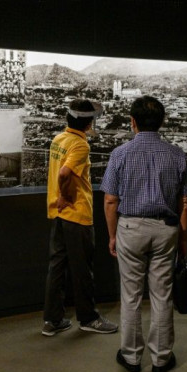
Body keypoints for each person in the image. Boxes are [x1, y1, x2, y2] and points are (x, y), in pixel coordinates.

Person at [100, 96, 187, 372]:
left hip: (130, 227)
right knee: (162, 295)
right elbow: (184, 202)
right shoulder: (176, 154)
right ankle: (162, 358)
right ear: (162, 122)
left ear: (133, 122)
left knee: (131, 296)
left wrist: (113, 235)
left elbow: (110, 201)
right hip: (166, 229)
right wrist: (183, 240)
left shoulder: (120, 154)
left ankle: (131, 356)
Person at [42, 99, 118, 337]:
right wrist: (65, 196)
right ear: (88, 122)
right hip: (76, 213)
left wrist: (59, 199)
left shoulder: (59, 140)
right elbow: (65, 174)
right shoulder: (79, 145)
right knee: (83, 268)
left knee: (57, 266)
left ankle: (52, 320)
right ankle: (88, 318)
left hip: (58, 213)